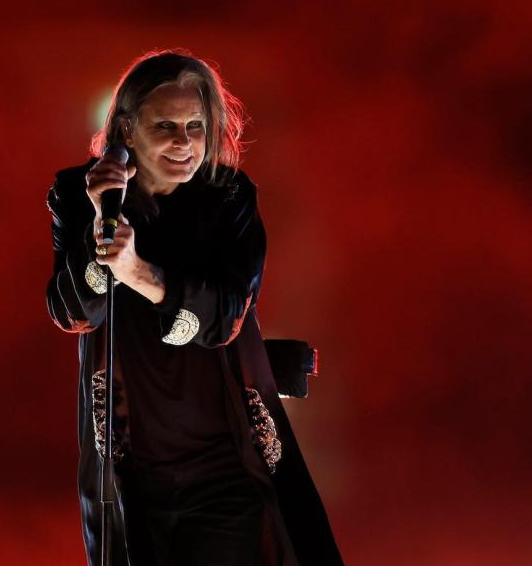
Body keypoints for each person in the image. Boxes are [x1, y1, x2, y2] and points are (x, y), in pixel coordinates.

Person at [46, 50, 343, 565]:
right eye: (165, 125)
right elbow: (71, 311)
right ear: (127, 128)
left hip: (224, 464)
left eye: (196, 125)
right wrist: (100, 225)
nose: (184, 142)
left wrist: (139, 272)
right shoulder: (80, 194)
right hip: (131, 471)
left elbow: (226, 313)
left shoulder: (228, 199)